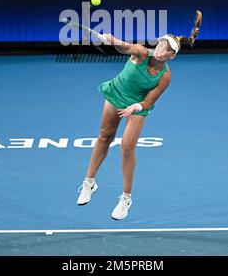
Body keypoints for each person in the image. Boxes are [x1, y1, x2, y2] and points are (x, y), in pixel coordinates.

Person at [77, 33, 180, 220]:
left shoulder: (165, 77)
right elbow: (124, 47)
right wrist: (112, 40)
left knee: (127, 147)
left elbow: (149, 101)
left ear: (171, 56)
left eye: (166, 49)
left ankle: (125, 198)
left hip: (137, 103)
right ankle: (89, 183)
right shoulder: (141, 52)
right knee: (104, 137)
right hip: (117, 91)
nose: (160, 50)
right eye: (160, 45)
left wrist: (136, 106)